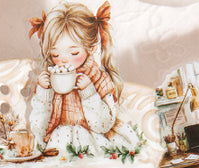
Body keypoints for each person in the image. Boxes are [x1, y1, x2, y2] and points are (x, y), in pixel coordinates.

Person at [28, 2, 138, 156]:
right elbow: (38, 128)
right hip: (58, 141)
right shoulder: (50, 78)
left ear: (91, 48)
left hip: (93, 141)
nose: (64, 60)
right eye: (55, 54)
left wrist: (89, 93)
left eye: (73, 53)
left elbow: (103, 125)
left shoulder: (98, 78)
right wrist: (43, 93)